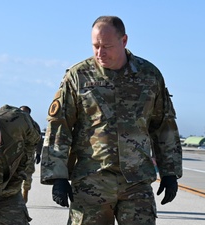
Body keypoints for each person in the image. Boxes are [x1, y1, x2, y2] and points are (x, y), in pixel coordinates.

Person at [40, 15, 182, 225]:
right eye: (95, 46)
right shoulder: (78, 76)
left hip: (137, 181)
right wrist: (58, 176)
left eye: (106, 46)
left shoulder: (149, 76)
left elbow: (164, 125)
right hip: (92, 181)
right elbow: (59, 126)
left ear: (124, 41)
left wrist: (170, 172)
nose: (100, 52)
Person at [19, 105, 44, 203]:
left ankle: (25, 193)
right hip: (15, 154)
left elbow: (39, 140)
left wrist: (38, 153)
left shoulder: (34, 125)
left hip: (29, 154)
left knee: (28, 174)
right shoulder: (15, 124)